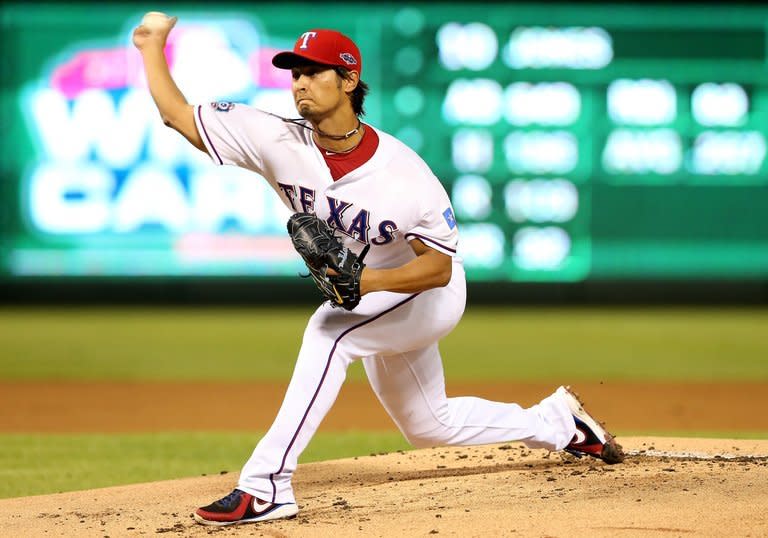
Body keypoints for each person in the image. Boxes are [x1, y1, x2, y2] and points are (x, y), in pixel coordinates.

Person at [132, 15, 624, 527]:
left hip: (425, 293)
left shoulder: (403, 173)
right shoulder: (273, 138)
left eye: (314, 70)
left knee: (329, 333)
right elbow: (177, 116)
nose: (299, 81)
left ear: (348, 81)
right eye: (294, 71)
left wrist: (363, 282)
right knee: (429, 424)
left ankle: (266, 486)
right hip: (373, 296)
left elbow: (437, 268)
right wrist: (151, 45)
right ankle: (558, 424)